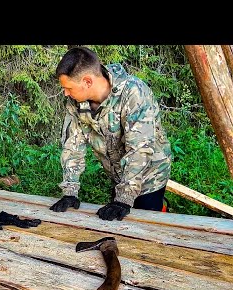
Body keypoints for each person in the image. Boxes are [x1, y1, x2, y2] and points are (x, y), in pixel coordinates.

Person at [50, 46, 172, 221]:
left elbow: (140, 150)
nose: (65, 92)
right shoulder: (76, 103)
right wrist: (70, 191)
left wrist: (124, 198)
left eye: (69, 87)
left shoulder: (134, 93)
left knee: (147, 228)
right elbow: (73, 144)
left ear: (87, 82)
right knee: (118, 225)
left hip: (149, 176)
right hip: (119, 174)